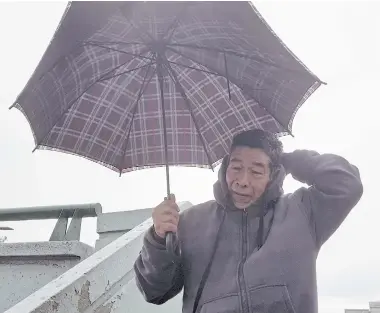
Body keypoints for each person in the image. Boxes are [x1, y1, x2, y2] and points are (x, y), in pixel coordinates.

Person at [134, 129, 363, 313]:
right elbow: (154, 291)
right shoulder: (190, 222)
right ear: (225, 168)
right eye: (236, 168)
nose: (242, 181)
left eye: (256, 171)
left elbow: (347, 184)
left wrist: (290, 160)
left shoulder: (302, 212)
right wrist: (157, 238)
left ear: (273, 174)